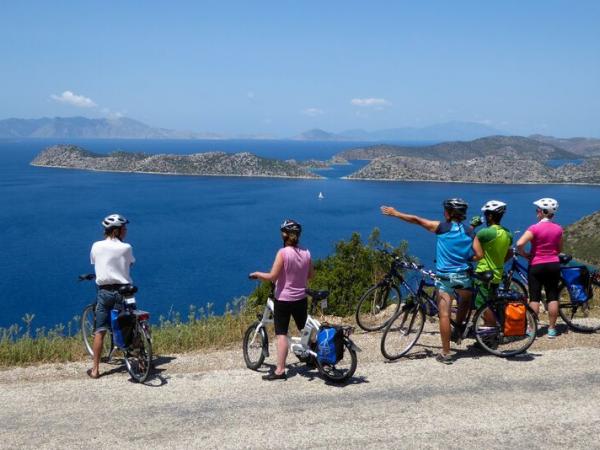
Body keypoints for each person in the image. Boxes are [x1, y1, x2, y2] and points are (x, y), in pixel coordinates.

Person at [381, 199, 482, 364]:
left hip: (445, 278)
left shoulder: (441, 228)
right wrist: (466, 257)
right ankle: (459, 327)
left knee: (444, 314)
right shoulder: (471, 232)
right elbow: (479, 255)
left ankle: (446, 353)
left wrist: (396, 213)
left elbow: (417, 220)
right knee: (466, 298)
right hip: (463, 275)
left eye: (445, 210)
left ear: (448, 213)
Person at [250, 219, 314, 380]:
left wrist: (258, 274)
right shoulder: (306, 252)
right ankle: (312, 358)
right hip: (301, 298)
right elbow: (311, 275)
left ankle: (280, 370)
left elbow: (272, 276)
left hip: (284, 300)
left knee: (281, 334)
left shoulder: (283, 253)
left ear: (285, 235)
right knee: (304, 329)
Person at [88, 214, 135, 379]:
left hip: (105, 292)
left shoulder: (96, 246)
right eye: (124, 228)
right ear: (118, 230)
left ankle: (95, 370)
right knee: (131, 322)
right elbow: (130, 263)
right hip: (126, 292)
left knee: (100, 331)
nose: (126, 231)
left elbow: (96, 263)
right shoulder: (127, 247)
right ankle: (141, 360)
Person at [516, 198, 563, 338]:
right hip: (553, 264)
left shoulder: (534, 228)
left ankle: (532, 330)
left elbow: (519, 244)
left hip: (536, 264)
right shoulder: (558, 229)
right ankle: (552, 329)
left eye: (538, 210)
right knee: (552, 297)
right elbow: (560, 249)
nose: (536, 212)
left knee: (535, 298)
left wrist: (525, 255)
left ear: (543, 212)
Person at [470, 201, 513, 311]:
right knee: (491, 302)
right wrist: (499, 262)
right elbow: (510, 253)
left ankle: (490, 325)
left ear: (490, 216)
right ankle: (493, 324)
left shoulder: (485, 233)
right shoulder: (508, 233)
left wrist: (472, 226)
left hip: (484, 273)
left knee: (481, 305)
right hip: (497, 274)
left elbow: (466, 240)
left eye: (485, 214)